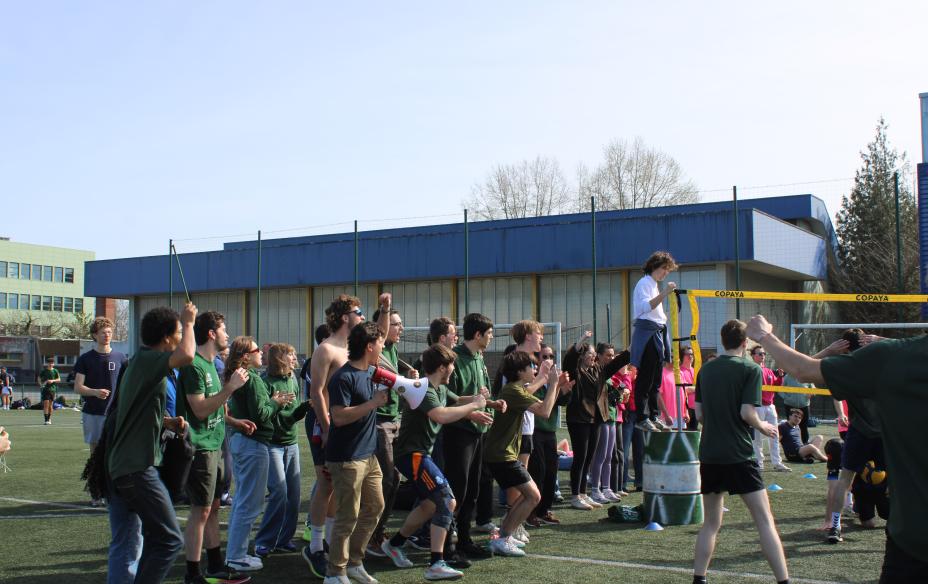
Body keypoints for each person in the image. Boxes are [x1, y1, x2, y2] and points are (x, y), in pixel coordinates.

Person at [746, 314, 928, 582]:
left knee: (848, 482)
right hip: (867, 434)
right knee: (861, 491)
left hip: (912, 538)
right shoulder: (887, 355)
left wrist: (764, 336)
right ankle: (836, 523)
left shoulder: (889, 359)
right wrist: (880, 343)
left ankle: (836, 523)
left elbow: (806, 370)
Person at [381, 343, 493, 580]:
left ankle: (394, 544)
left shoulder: (439, 387)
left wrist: (479, 402)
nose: (453, 369)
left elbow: (456, 400)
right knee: (447, 500)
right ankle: (436, 563)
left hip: (421, 455)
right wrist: (474, 404)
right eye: (451, 365)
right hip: (411, 455)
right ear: (443, 367)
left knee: (431, 505)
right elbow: (440, 415)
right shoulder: (423, 389)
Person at [692, 319, 790, 584]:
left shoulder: (706, 370)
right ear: (746, 344)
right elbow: (747, 413)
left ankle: (699, 578)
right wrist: (765, 426)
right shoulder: (751, 368)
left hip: (710, 454)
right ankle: (784, 580)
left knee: (711, 523)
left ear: (723, 341)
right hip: (739, 454)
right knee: (764, 521)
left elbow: (699, 414)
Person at [106, 303, 197, 584]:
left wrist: (166, 423)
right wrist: (191, 321)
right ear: (167, 337)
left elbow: (137, 411)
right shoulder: (148, 360)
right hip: (136, 467)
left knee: (142, 540)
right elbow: (187, 355)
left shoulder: (142, 362)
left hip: (124, 466)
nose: (182, 336)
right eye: (179, 332)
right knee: (169, 540)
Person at [175, 311, 251, 584]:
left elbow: (215, 406)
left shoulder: (212, 364)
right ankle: (192, 573)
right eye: (223, 328)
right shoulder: (194, 366)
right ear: (211, 333)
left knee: (214, 508)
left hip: (217, 443)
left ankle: (216, 565)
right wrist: (230, 388)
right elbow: (199, 409)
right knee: (201, 510)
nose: (227, 334)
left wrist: (233, 420)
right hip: (201, 447)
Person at [301, 296, 368, 578]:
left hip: (346, 425)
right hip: (323, 422)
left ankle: (328, 542)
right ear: (344, 317)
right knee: (326, 483)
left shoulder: (351, 348)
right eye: (359, 312)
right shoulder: (326, 349)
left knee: (340, 486)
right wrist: (327, 428)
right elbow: (316, 392)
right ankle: (315, 547)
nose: (363, 317)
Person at [324, 321, 389, 584]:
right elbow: (338, 417)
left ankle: (354, 562)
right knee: (347, 516)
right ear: (370, 346)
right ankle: (334, 572)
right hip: (347, 458)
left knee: (375, 506)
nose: (383, 347)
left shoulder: (372, 372)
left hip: (368, 455)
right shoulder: (343, 376)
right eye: (381, 343)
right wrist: (373, 403)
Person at [484, 351, 565, 557]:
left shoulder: (516, 389)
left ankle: (504, 535)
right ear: (520, 371)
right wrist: (553, 384)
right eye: (531, 366)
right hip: (501, 455)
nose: (535, 370)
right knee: (533, 495)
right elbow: (544, 412)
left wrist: (555, 386)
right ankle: (503, 537)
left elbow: (544, 405)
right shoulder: (513, 391)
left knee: (528, 495)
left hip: (505, 454)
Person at [224, 336, 293, 572]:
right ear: (245, 356)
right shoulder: (251, 379)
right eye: (255, 350)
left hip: (244, 443)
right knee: (249, 505)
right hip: (253, 444)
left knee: (242, 502)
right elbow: (261, 414)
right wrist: (275, 402)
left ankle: (235, 553)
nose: (260, 353)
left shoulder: (244, 377)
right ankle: (236, 556)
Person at [441, 313, 498, 563]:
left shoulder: (479, 358)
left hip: (478, 433)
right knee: (457, 490)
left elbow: (480, 395)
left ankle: (464, 540)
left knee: (473, 489)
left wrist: (493, 403)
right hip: (458, 433)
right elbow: (446, 397)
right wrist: (471, 415)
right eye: (489, 333)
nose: (491, 337)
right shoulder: (453, 358)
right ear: (477, 335)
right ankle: (446, 546)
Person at [255, 344, 311, 557]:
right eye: (291, 354)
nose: (295, 358)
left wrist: (305, 408)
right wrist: (286, 406)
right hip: (273, 445)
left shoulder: (292, 379)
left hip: (291, 443)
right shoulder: (266, 383)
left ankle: (283, 539)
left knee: (294, 496)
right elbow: (270, 416)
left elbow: (292, 417)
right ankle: (264, 541)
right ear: (280, 358)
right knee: (279, 492)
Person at [366, 302, 414, 557]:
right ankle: (371, 535)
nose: (400, 328)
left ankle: (378, 531)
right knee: (386, 480)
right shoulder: (379, 348)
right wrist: (385, 312)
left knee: (393, 480)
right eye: (396, 323)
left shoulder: (393, 351)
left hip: (395, 420)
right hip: (380, 422)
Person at [562, 331, 629, 510]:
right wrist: (580, 341)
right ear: (582, 356)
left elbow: (616, 364)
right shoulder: (576, 370)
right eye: (589, 354)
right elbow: (569, 359)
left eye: (593, 355)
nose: (592, 358)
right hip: (579, 418)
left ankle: (584, 493)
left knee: (589, 457)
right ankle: (576, 495)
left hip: (595, 419)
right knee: (580, 457)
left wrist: (631, 349)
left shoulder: (598, 370)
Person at [630, 251, 677, 432]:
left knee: (656, 378)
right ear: (654, 266)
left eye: (668, 270)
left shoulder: (654, 285)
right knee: (646, 377)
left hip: (658, 331)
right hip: (648, 331)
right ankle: (642, 416)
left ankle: (653, 415)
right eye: (664, 268)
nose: (666, 273)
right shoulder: (644, 283)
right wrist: (665, 293)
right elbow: (644, 307)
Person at [528, 343, 572, 525]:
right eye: (544, 356)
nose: (548, 360)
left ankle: (544, 510)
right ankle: (531, 512)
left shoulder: (551, 379)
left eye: (550, 356)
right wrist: (554, 385)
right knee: (538, 471)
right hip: (536, 430)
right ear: (537, 360)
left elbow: (559, 402)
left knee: (551, 472)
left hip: (550, 431)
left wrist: (564, 389)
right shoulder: (534, 380)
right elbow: (542, 405)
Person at [588, 343, 627, 505]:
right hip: (602, 417)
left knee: (609, 456)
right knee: (601, 455)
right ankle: (595, 489)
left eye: (612, 355)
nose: (611, 358)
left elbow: (614, 396)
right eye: (608, 355)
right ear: (599, 355)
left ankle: (606, 488)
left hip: (612, 415)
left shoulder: (610, 374)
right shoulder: (597, 371)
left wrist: (618, 394)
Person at [749, 346, 788, 472]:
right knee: (757, 437)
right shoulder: (751, 370)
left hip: (770, 406)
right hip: (758, 406)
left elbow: (776, 385)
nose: (762, 356)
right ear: (753, 356)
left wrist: (780, 376)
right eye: (760, 354)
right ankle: (759, 463)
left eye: (764, 353)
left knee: (774, 435)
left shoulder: (769, 371)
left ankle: (777, 463)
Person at [38, 358, 60, 425]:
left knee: (50, 405)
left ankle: (49, 418)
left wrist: (52, 380)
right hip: (45, 389)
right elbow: (39, 378)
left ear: (53, 364)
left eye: (52, 363)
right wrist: (41, 384)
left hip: (52, 390)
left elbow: (59, 379)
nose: (51, 364)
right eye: (49, 363)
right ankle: (46, 419)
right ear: (47, 363)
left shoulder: (55, 371)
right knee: (46, 404)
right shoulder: (44, 371)